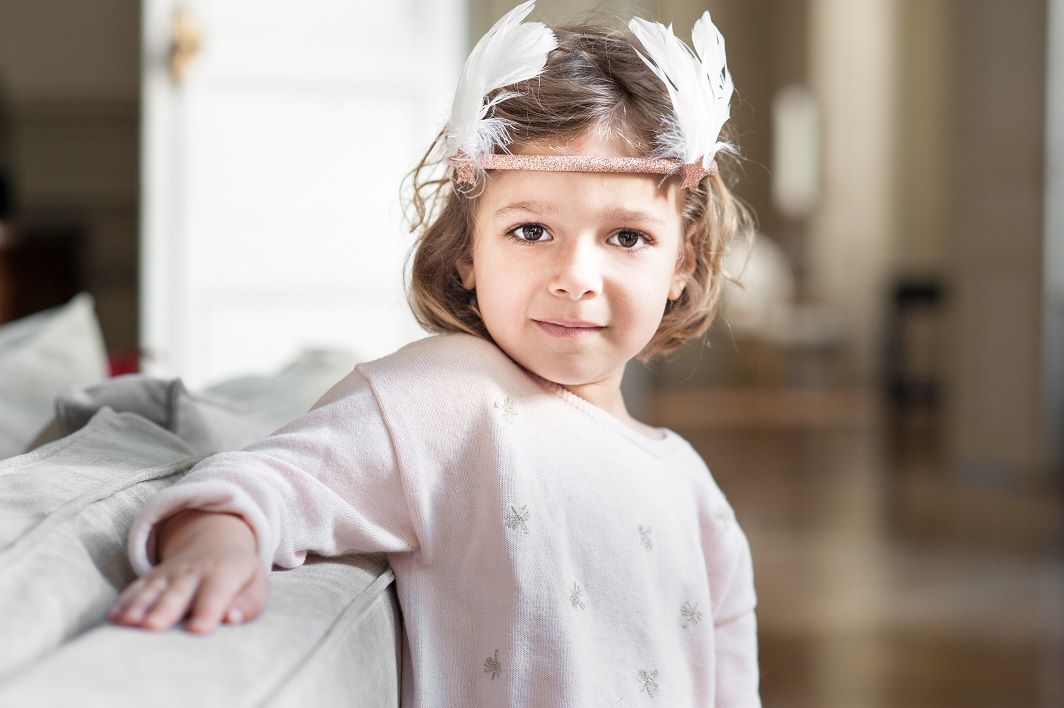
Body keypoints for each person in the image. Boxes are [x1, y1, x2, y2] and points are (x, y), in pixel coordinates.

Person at [108, 3, 760, 705]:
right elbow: (269, 481)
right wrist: (217, 541)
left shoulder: (694, 492)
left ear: (682, 265)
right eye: (532, 230)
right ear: (467, 251)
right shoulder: (444, 398)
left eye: (627, 237)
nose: (576, 274)